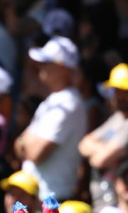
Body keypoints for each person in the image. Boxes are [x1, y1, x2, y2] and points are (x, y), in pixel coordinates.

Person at [15, 37, 86, 201]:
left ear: (62, 67)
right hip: (39, 198)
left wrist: (26, 142)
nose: (40, 66)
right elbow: (18, 146)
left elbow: (35, 153)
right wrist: (26, 143)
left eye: (46, 62)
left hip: (51, 200)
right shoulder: (53, 101)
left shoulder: (69, 104)